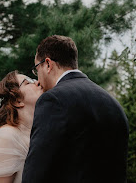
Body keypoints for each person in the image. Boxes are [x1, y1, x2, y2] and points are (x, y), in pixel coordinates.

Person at [22, 35, 129, 183]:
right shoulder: (112, 103)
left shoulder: (53, 100)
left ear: (47, 64)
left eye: (36, 69)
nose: (38, 80)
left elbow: (36, 174)